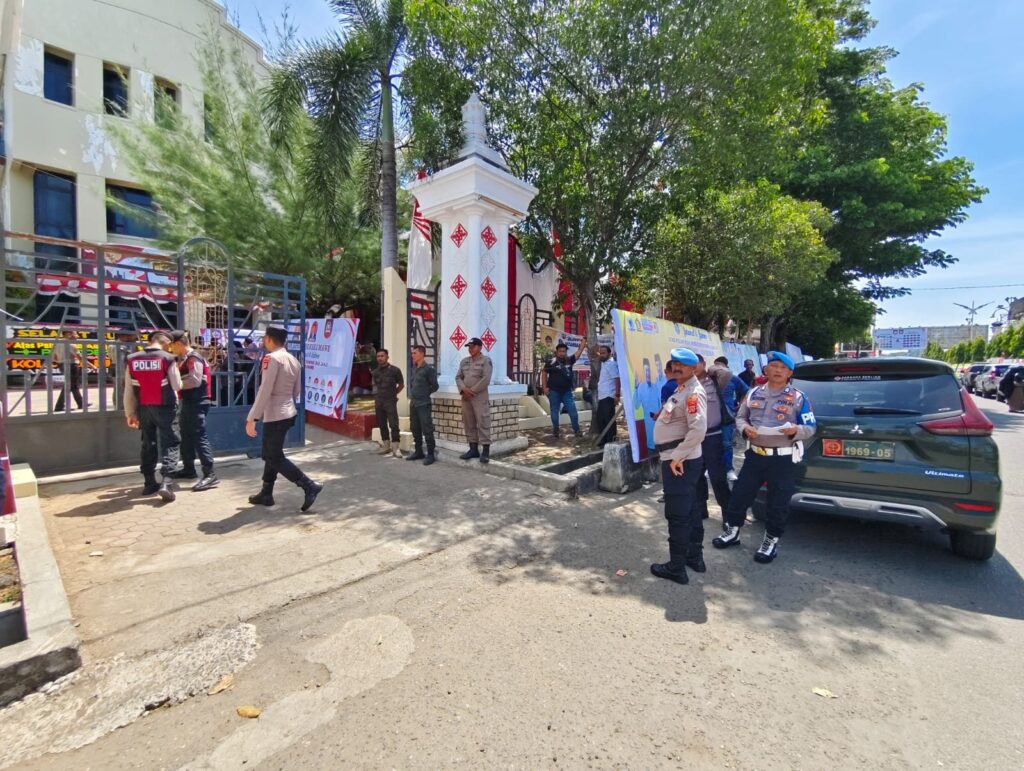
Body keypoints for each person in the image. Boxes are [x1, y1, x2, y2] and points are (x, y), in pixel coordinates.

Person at [713, 351, 817, 563]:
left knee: (778, 503)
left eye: (783, 368)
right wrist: (745, 429)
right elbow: (740, 417)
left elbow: (811, 427)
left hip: (782, 459)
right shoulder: (753, 393)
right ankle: (732, 532)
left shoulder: (799, 397)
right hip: (755, 455)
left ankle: (771, 541)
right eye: (774, 366)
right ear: (766, 369)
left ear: (789, 373)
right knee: (740, 495)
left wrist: (796, 430)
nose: (778, 370)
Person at [245, 326, 323, 511]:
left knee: (273, 456)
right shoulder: (294, 360)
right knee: (271, 454)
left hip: (275, 415)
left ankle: (309, 485)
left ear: (269, 339)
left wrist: (253, 418)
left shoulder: (271, 358)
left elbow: (265, 389)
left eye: (264, 339)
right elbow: (296, 390)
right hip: (288, 411)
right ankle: (266, 492)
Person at [650, 347, 708, 585]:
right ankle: (694, 558)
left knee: (678, 514)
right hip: (681, 458)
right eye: (674, 363)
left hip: (680, 461)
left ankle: (676, 567)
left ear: (693, 368)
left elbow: (699, 429)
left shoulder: (693, 393)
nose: (676, 367)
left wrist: (677, 457)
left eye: (682, 365)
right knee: (691, 509)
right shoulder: (681, 389)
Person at [123, 331, 182, 502]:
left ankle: (149, 483)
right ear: (166, 342)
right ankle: (167, 483)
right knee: (171, 443)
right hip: (165, 407)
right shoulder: (167, 358)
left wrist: (130, 413)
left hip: (143, 408)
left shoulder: (132, 359)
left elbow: (128, 389)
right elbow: (176, 385)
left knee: (148, 443)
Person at [167, 331, 218, 492]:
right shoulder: (185, 358)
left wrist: (175, 383)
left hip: (198, 401)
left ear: (178, 343)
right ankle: (189, 469)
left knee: (198, 436)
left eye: (172, 345)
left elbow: (195, 380)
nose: (170, 348)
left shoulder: (194, 358)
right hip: (190, 401)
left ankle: (210, 474)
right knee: (186, 435)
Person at [693, 355, 735, 539]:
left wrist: (710, 369)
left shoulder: (715, 380)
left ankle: (728, 516)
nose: (692, 367)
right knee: (696, 476)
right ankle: (700, 510)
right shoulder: (687, 384)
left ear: (703, 364)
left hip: (713, 437)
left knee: (718, 478)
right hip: (694, 438)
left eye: (696, 364)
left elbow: (727, 373)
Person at [456, 337, 493, 463]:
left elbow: (486, 379)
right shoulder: (464, 361)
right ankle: (473, 449)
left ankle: (485, 452)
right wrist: (463, 389)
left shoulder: (486, 361)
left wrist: (471, 391)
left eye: (473, 346)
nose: (470, 349)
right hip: (465, 397)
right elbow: (458, 377)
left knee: (483, 422)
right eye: (469, 347)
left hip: (479, 397)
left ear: (480, 347)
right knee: (469, 423)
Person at [714, 355, 750, 479]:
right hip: (711, 416)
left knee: (726, 443)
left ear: (726, 367)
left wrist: (740, 406)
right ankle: (711, 468)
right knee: (711, 443)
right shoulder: (710, 379)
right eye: (715, 365)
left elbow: (746, 391)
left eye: (719, 365)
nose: (717, 368)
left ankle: (729, 469)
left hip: (727, 416)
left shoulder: (733, 378)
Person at [541, 339, 585, 439]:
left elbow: (579, 351)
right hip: (554, 391)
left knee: (573, 411)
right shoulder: (551, 362)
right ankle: (556, 429)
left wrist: (584, 339)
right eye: (560, 351)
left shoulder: (570, 360)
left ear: (566, 352)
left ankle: (577, 430)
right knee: (554, 412)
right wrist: (544, 387)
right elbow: (544, 373)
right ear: (556, 352)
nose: (562, 353)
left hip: (567, 392)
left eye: (564, 351)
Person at [406, 345, 439, 465]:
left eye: (415, 353)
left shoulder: (428, 370)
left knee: (427, 429)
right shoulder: (415, 368)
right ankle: (418, 451)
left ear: (422, 354)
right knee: (415, 428)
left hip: (423, 404)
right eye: (412, 353)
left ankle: (430, 454)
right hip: (414, 403)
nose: (412, 355)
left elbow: (435, 386)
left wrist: (425, 393)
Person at [372, 348, 404, 457]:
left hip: (390, 402)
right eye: (378, 356)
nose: (380, 358)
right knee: (382, 424)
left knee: (394, 424)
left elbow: (401, 385)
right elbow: (374, 387)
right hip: (379, 402)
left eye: (382, 356)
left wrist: (394, 394)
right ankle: (386, 445)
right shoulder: (375, 372)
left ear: (387, 357)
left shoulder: (395, 370)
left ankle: (396, 447)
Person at [53, 330, 85, 411]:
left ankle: (81, 403)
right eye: (75, 334)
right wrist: (92, 366)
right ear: (68, 334)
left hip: (61, 365)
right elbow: (80, 358)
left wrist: (61, 361)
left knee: (73, 385)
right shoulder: (71, 344)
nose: (77, 337)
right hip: (71, 366)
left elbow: (54, 358)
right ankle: (59, 406)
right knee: (69, 385)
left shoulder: (57, 344)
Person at [594, 345, 620, 445]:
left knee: (609, 420)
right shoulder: (604, 362)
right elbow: (600, 355)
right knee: (601, 419)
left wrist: (617, 395)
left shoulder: (611, 364)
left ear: (609, 354)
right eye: (600, 353)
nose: (601, 355)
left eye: (604, 353)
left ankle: (611, 441)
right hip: (602, 396)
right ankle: (604, 441)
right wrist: (595, 351)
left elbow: (617, 379)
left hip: (609, 396)